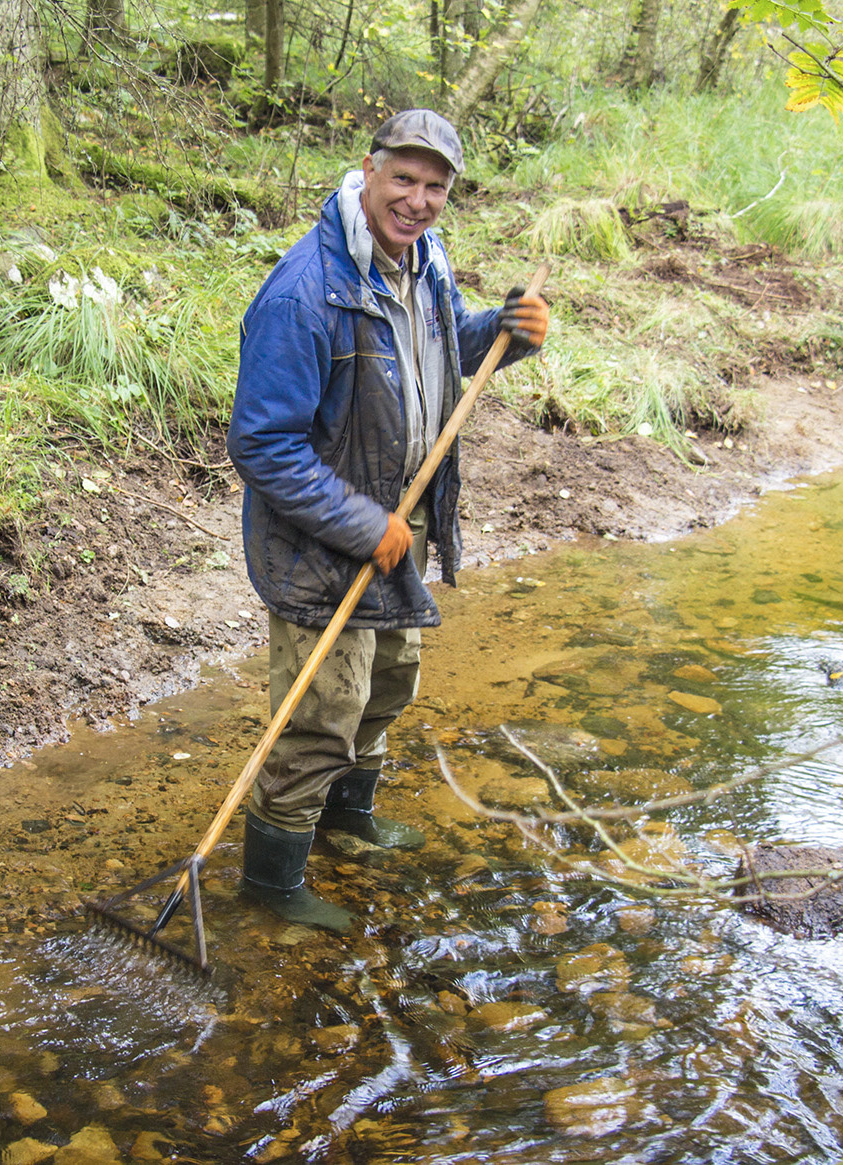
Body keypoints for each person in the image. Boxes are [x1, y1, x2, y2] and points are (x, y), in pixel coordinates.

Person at [226, 109, 550, 932]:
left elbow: (441, 352)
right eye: (403, 179)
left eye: (435, 186)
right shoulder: (304, 292)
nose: (418, 199)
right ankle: (271, 885)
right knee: (319, 714)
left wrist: (504, 334)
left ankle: (346, 818)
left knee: (389, 683)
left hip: (397, 529)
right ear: (366, 171)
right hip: (320, 542)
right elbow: (262, 445)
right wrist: (361, 523)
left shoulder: (425, 263)